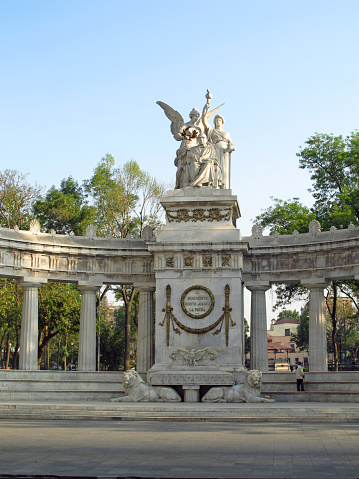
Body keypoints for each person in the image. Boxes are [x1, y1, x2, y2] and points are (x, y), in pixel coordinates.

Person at [202, 92, 234, 189]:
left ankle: (223, 187)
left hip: (224, 152)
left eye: (219, 120)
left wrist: (230, 147)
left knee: (224, 172)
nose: (218, 122)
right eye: (216, 120)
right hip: (214, 151)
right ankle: (214, 186)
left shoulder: (226, 133)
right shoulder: (212, 130)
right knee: (214, 169)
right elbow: (204, 120)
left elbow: (231, 142)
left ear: (222, 122)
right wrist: (208, 102)